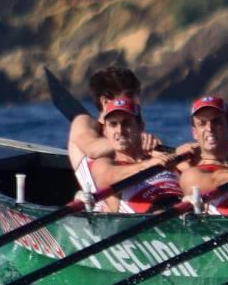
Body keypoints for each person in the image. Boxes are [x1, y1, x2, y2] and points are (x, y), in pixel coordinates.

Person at [66, 64, 160, 198]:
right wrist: (135, 139)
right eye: (129, 96)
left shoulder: (131, 131)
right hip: (102, 205)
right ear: (105, 102)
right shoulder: (84, 122)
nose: (137, 103)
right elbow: (92, 149)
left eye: (136, 96)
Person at [86, 97, 185, 213]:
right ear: (105, 131)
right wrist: (149, 164)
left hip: (185, 210)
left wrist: (190, 153)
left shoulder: (161, 157)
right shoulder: (103, 164)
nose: (120, 130)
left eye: (126, 123)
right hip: (151, 220)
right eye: (113, 124)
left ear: (140, 127)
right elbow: (109, 177)